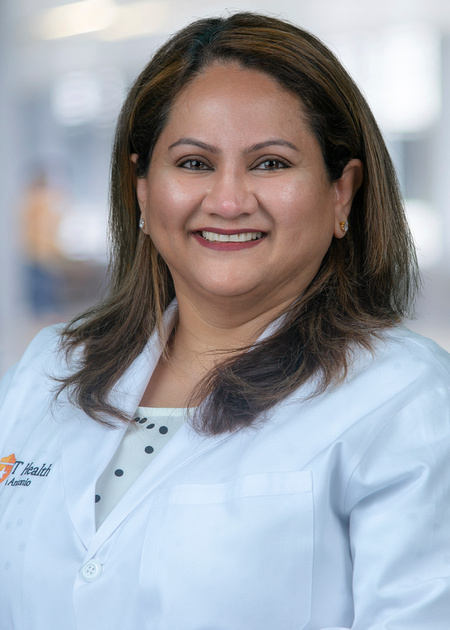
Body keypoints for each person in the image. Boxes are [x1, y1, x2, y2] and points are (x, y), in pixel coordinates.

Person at [0, 11, 449, 630]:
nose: (230, 201)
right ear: (142, 189)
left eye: (270, 164)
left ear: (340, 192)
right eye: (193, 163)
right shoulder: (49, 369)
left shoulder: (406, 400)